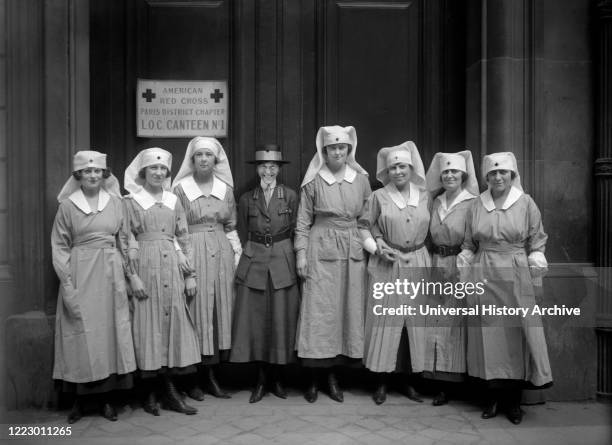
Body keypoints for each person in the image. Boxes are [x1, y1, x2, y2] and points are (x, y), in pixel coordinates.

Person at [458, 152, 552, 424]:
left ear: (512, 175)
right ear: (486, 177)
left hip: (515, 271)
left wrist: (536, 281)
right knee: (489, 334)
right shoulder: (476, 205)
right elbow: (468, 245)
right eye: (492, 174)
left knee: (516, 333)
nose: (498, 177)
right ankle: (492, 398)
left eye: (504, 173)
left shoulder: (526, 203)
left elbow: (537, 243)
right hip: (484, 271)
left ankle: (514, 402)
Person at [52, 150, 136, 423]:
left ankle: (106, 399)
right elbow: (60, 246)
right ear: (78, 175)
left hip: (111, 272)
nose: (92, 175)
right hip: (80, 272)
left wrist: (130, 273)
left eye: (97, 171)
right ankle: (80, 400)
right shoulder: (67, 206)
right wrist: (67, 283)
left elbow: (125, 239)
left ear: (104, 175)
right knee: (80, 331)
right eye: (86, 171)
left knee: (109, 332)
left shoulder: (115, 203)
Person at [295, 125, 371, 403]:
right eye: (331, 148)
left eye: (342, 147)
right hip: (320, 248)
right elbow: (303, 222)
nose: (337, 152)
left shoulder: (361, 180)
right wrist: (301, 254)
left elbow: (366, 219)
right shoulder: (313, 182)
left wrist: (373, 248)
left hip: (352, 248)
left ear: (349, 150)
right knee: (319, 313)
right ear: (323, 152)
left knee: (346, 311)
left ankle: (334, 376)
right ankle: (314, 379)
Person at [123, 147, 201, 416]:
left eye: (162, 169)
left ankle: (170, 390)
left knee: (172, 326)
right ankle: (149, 392)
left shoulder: (173, 200)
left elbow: (183, 236)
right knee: (147, 326)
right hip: (145, 266)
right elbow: (125, 239)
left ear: (168, 173)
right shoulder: (130, 201)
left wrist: (190, 274)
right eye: (152, 169)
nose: (158, 173)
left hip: (172, 268)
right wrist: (132, 276)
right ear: (143, 172)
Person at [360, 141, 430, 405]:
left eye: (402, 166)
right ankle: (381, 382)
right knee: (386, 322)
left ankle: (408, 381)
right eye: (392, 168)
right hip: (388, 263)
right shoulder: (378, 197)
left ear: (411, 168)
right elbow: (363, 226)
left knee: (413, 324)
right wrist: (377, 246)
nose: (398, 172)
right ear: (386, 172)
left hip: (419, 262)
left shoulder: (425, 196)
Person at [172, 137, 241, 400]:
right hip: (193, 250)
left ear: (216, 160)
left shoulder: (225, 189)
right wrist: (182, 259)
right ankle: (192, 378)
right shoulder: (180, 189)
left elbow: (231, 226)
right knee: (196, 308)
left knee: (218, 310)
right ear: (192, 160)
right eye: (198, 155)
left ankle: (212, 375)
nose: (203, 159)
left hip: (221, 251)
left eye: (208, 155)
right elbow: (175, 228)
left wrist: (237, 257)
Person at [230, 144, 300, 403]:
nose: (268, 171)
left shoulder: (290, 196)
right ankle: (260, 379)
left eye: (273, 166)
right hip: (255, 257)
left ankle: (278, 378)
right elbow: (241, 229)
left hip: (282, 258)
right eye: (263, 166)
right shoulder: (247, 198)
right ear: (257, 169)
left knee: (282, 319)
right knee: (256, 321)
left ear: (279, 169)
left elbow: (295, 229)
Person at [423, 151, 478, 406]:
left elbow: (473, 240)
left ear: (463, 175)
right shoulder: (436, 202)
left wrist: (465, 269)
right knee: (435, 320)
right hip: (436, 263)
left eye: (454, 171)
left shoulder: (472, 203)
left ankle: (456, 380)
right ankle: (438, 381)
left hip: (460, 264)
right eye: (445, 172)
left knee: (456, 322)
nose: (449, 176)